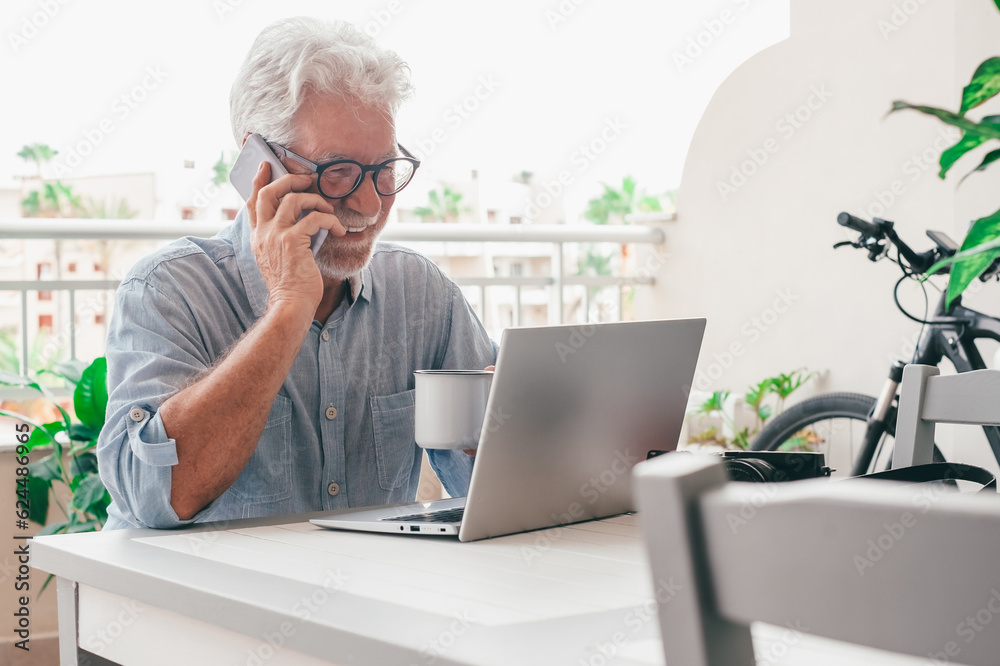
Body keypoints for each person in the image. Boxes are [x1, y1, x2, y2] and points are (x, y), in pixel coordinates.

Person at [97, 17, 496, 530]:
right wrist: (288, 304)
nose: (371, 203)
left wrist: (497, 437)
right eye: (339, 172)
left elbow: (485, 493)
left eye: (384, 171)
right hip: (199, 602)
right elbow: (154, 499)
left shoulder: (420, 293)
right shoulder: (168, 290)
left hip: (363, 599)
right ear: (260, 166)